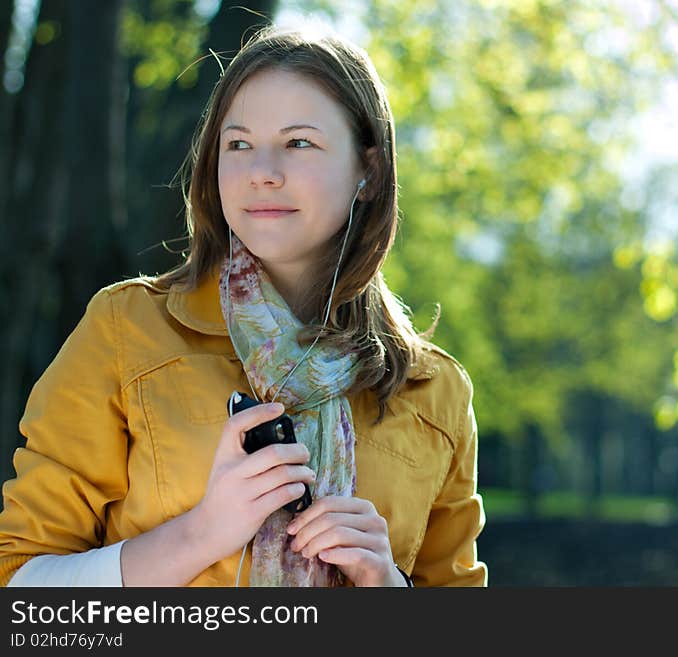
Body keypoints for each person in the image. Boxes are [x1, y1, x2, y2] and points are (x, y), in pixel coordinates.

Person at [0, 25, 487, 587]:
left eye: (299, 142)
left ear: (368, 172)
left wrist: (388, 588)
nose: (263, 171)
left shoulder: (435, 391)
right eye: (238, 144)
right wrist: (201, 533)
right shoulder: (126, 330)